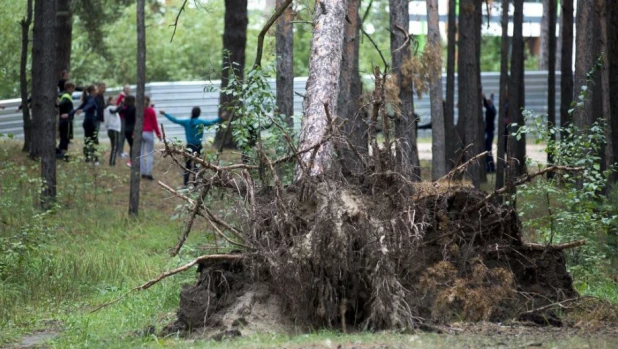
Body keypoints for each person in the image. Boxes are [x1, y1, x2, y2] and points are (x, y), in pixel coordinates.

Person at [160, 107, 222, 187]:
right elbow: (212, 122)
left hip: (189, 147)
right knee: (196, 166)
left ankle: (185, 184)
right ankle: (195, 185)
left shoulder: (187, 122)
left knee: (187, 165)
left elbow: (175, 120)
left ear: (192, 113)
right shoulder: (201, 122)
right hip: (198, 146)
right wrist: (220, 118)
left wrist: (165, 114)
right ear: (199, 114)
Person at [72, 85, 99, 164]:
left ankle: (87, 157)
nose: (97, 91)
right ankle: (95, 159)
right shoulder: (91, 99)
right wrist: (82, 110)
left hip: (86, 122)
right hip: (91, 121)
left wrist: (70, 114)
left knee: (87, 139)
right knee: (94, 140)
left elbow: (79, 107)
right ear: (92, 91)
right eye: (96, 89)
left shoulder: (87, 98)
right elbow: (88, 106)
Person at [140, 96, 162, 180]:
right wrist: (159, 135)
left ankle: (142, 172)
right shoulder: (151, 111)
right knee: (149, 154)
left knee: (141, 154)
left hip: (140, 133)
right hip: (148, 133)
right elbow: (155, 124)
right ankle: (148, 172)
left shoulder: (138, 110)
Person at [113, 95, 136, 166]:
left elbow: (116, 111)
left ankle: (132, 160)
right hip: (132, 129)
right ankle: (132, 161)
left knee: (132, 145)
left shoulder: (124, 108)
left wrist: (122, 103)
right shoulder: (134, 108)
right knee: (133, 146)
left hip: (126, 130)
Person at [57, 81, 76, 160]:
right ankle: (63, 154)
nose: (73, 90)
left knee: (64, 137)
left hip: (63, 120)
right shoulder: (66, 96)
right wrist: (68, 114)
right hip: (66, 121)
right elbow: (60, 104)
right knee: (65, 138)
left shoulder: (62, 95)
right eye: (72, 88)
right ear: (69, 88)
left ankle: (62, 153)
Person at [103, 96, 121, 166]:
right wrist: (122, 104)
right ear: (109, 101)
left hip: (111, 129)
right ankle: (112, 163)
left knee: (114, 146)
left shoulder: (107, 109)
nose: (115, 101)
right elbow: (115, 111)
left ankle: (112, 162)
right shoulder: (110, 108)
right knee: (115, 147)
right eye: (113, 100)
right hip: (114, 129)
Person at [483, 92, 497, 173]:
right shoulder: (492, 108)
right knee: (488, 150)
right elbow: (487, 105)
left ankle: (490, 167)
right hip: (489, 132)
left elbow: (487, 106)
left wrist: (484, 97)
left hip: (489, 132)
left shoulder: (491, 110)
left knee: (488, 150)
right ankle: (490, 166)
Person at [116, 84, 131, 159]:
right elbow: (117, 106)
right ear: (124, 89)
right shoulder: (122, 97)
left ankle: (121, 151)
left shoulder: (127, 97)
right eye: (127, 89)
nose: (128, 90)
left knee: (123, 135)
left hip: (126, 118)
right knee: (122, 135)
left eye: (129, 88)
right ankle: (119, 152)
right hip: (122, 118)